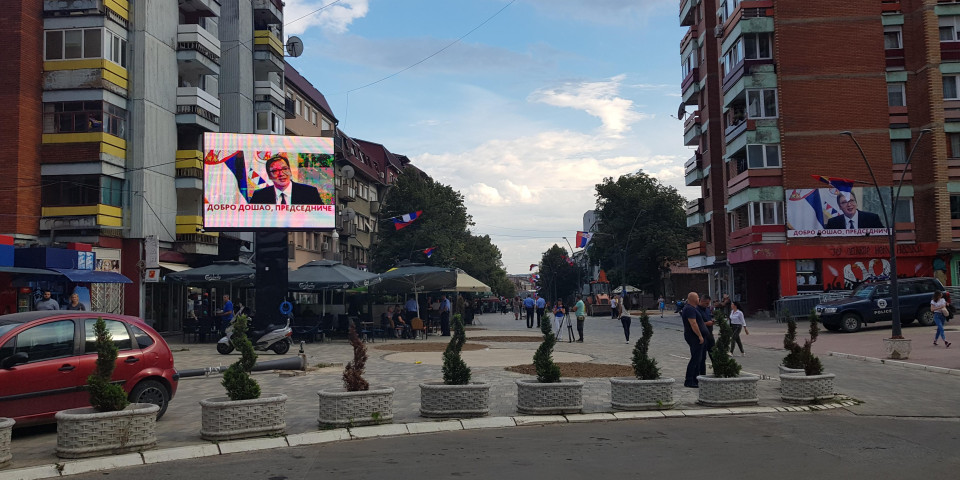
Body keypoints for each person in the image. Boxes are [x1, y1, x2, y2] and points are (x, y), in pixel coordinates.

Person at [249, 155, 324, 205]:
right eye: (275, 171)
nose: (281, 174)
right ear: (269, 176)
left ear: (290, 171)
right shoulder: (259, 196)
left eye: (284, 169)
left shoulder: (309, 193)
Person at [682, 292, 707, 388]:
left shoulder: (693, 308)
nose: (699, 299)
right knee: (695, 358)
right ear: (693, 299)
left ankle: (695, 379)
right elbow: (693, 323)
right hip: (694, 337)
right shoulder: (689, 309)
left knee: (698, 358)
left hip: (696, 337)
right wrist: (700, 336)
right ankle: (689, 380)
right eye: (697, 297)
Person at [696, 294, 716, 376]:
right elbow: (695, 324)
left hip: (710, 335)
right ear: (701, 301)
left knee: (714, 354)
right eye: (706, 303)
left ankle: (717, 371)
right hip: (702, 335)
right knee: (702, 357)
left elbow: (709, 318)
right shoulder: (696, 310)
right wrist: (707, 323)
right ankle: (702, 374)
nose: (707, 305)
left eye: (708, 303)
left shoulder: (707, 310)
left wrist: (712, 321)